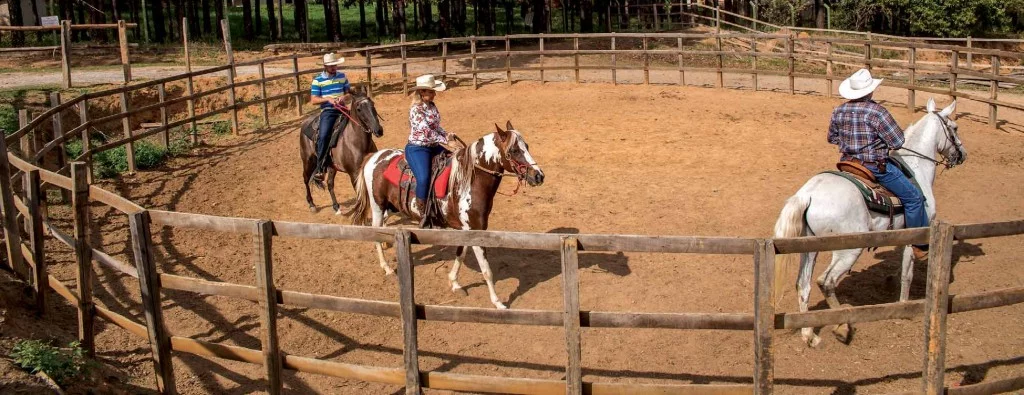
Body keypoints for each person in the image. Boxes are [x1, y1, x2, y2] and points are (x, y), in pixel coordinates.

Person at [829, 68, 928, 260]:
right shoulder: (878, 112)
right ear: (870, 91)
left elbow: (832, 138)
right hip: (874, 166)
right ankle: (919, 243)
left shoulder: (838, 110)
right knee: (914, 198)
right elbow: (898, 142)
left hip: (847, 163)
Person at [407, 74, 453, 228]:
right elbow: (426, 132)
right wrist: (445, 140)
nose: (435, 94)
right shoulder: (416, 110)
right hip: (418, 148)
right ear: (422, 92)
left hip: (433, 146)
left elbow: (435, 126)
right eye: (432, 92)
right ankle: (422, 212)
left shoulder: (432, 106)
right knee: (424, 177)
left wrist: (446, 134)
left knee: (454, 160)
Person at [309, 52, 352, 184]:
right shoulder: (318, 80)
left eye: (335, 65)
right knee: (323, 136)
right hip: (328, 111)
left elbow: (349, 94)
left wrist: (343, 98)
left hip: (343, 109)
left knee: (361, 124)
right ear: (325, 66)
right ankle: (320, 168)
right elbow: (313, 100)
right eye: (331, 65)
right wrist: (327, 99)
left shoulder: (342, 76)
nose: (334, 67)